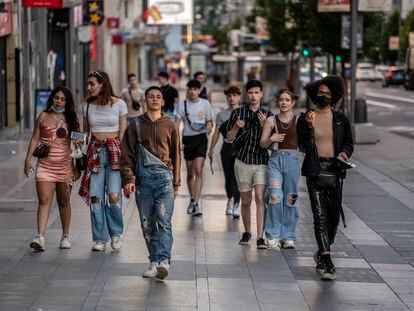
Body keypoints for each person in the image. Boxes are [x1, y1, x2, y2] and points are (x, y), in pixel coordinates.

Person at [297, 75, 354, 281]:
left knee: (334, 219)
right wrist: (308, 128)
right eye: (320, 93)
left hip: (335, 169)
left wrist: (344, 154)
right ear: (314, 95)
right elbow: (302, 145)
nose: (324, 96)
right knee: (319, 217)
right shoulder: (305, 118)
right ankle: (328, 262)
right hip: (315, 169)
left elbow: (348, 143)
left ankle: (321, 252)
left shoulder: (341, 119)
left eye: (328, 93)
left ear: (334, 96)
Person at [121, 86, 181, 281]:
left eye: (158, 97)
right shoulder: (135, 125)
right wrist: (128, 179)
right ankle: (154, 261)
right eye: (151, 97)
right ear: (145, 100)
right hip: (143, 181)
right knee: (147, 225)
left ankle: (164, 261)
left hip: (165, 181)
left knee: (164, 222)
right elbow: (127, 154)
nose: (155, 99)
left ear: (163, 102)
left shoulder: (170, 125)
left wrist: (177, 183)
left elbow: (176, 155)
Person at [24, 86, 80, 251]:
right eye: (56, 98)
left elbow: (78, 146)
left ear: (67, 102)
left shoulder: (71, 119)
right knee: (44, 200)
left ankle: (66, 236)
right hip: (45, 165)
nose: (59, 101)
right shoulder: (43, 116)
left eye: (63, 99)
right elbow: (35, 138)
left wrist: (77, 163)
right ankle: (40, 236)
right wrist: (27, 160)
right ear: (51, 98)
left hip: (65, 165)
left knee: (64, 201)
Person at [79, 71, 128, 252]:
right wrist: (77, 145)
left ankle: (116, 234)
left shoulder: (119, 104)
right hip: (94, 153)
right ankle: (100, 238)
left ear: (102, 84)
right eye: (88, 84)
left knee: (113, 196)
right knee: (95, 198)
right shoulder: (86, 105)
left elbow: (122, 134)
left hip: (115, 152)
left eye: (92, 84)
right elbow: (85, 133)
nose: (89, 87)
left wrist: (127, 160)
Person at [226, 80, 273, 249]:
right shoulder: (238, 113)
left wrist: (263, 125)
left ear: (261, 94)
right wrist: (236, 128)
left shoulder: (268, 114)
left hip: (261, 161)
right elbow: (229, 138)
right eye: (250, 93)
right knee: (246, 200)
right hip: (242, 161)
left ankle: (260, 236)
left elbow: (270, 143)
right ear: (247, 93)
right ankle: (247, 231)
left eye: (256, 93)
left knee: (260, 198)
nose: (253, 96)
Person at [260, 89, 300, 250]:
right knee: (275, 196)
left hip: (292, 161)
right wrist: (272, 138)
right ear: (278, 102)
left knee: (291, 198)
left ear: (292, 103)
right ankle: (272, 235)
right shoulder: (271, 121)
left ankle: (288, 236)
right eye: (281, 100)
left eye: (287, 100)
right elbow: (262, 143)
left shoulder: (298, 121)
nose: (284, 102)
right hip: (275, 161)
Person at [174, 79, 214, 216]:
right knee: (190, 172)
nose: (192, 91)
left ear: (199, 90)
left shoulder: (205, 104)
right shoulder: (181, 105)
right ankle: (192, 198)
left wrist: (209, 127)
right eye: (190, 89)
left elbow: (210, 120)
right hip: (187, 139)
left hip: (201, 138)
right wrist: (178, 141)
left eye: (195, 89)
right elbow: (176, 124)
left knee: (198, 169)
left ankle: (196, 203)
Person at [208, 86, 241, 218]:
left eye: (234, 95)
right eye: (229, 96)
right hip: (226, 149)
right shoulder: (222, 115)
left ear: (238, 96)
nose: (231, 98)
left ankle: (236, 204)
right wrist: (211, 150)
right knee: (228, 177)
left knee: (237, 177)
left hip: (241, 149)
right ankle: (230, 199)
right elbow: (216, 134)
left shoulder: (244, 112)